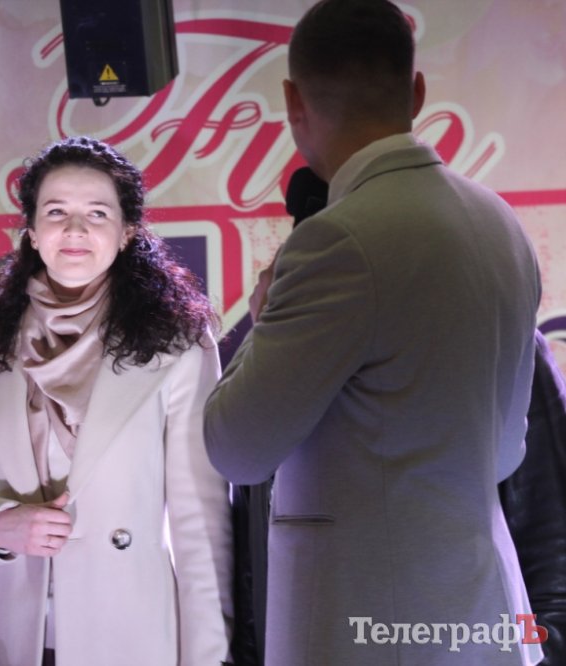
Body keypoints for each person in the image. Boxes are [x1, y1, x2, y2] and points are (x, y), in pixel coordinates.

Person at [203, 1, 543, 664]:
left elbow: (236, 448)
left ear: (293, 102)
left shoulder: (335, 239)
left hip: (373, 625)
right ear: (416, 92)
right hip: (486, 614)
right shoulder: (500, 221)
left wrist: (265, 315)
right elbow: (504, 455)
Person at [0, 136, 233, 666]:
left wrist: (209, 658)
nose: (76, 229)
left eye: (97, 213)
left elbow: (200, 526)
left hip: (133, 638)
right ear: (33, 233)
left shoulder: (176, 343)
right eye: (56, 211)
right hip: (10, 639)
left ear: (127, 233)